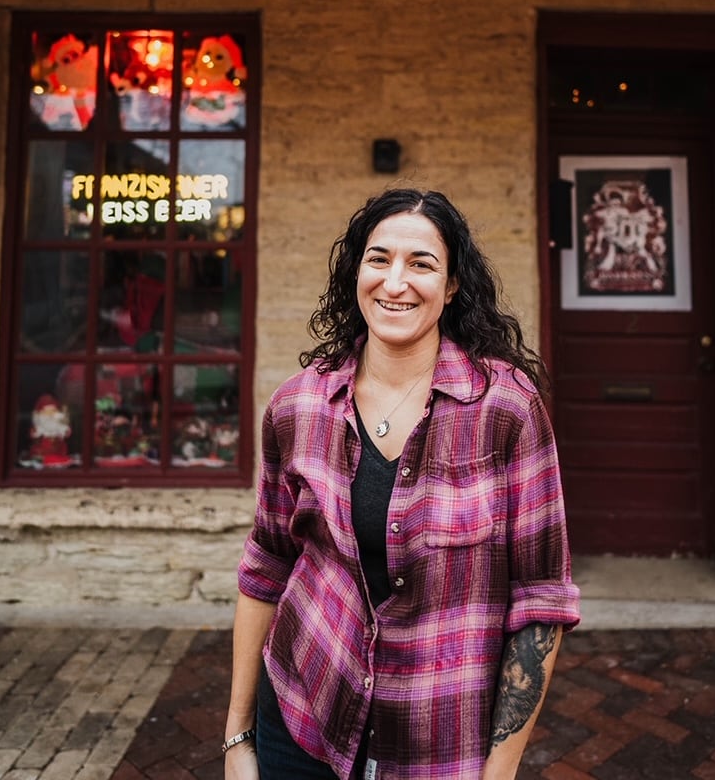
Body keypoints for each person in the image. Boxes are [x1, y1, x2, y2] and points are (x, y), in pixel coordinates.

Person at [224, 188, 580, 780]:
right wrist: (239, 736)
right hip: (301, 715)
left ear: (454, 285)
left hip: (439, 741)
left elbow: (541, 599)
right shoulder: (298, 406)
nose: (395, 283)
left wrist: (499, 772)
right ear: (354, 270)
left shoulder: (507, 411)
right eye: (378, 258)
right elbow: (266, 565)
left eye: (421, 264)